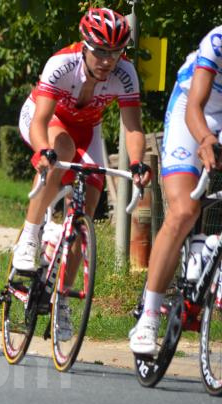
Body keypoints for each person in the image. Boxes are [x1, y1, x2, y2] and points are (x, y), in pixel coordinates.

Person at [9, 8, 151, 340]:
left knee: (88, 203)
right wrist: (43, 152)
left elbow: (133, 127)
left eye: (115, 52)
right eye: (100, 51)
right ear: (85, 45)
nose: (107, 60)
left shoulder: (126, 73)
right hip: (46, 120)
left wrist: (137, 164)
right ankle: (29, 239)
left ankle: (63, 301)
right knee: (62, 153)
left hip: (88, 129)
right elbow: (40, 120)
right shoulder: (62, 64)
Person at [129, 25, 222, 355]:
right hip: (193, 112)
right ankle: (149, 315)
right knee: (184, 210)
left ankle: (203, 251)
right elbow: (195, 107)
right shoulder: (216, 40)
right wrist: (206, 140)